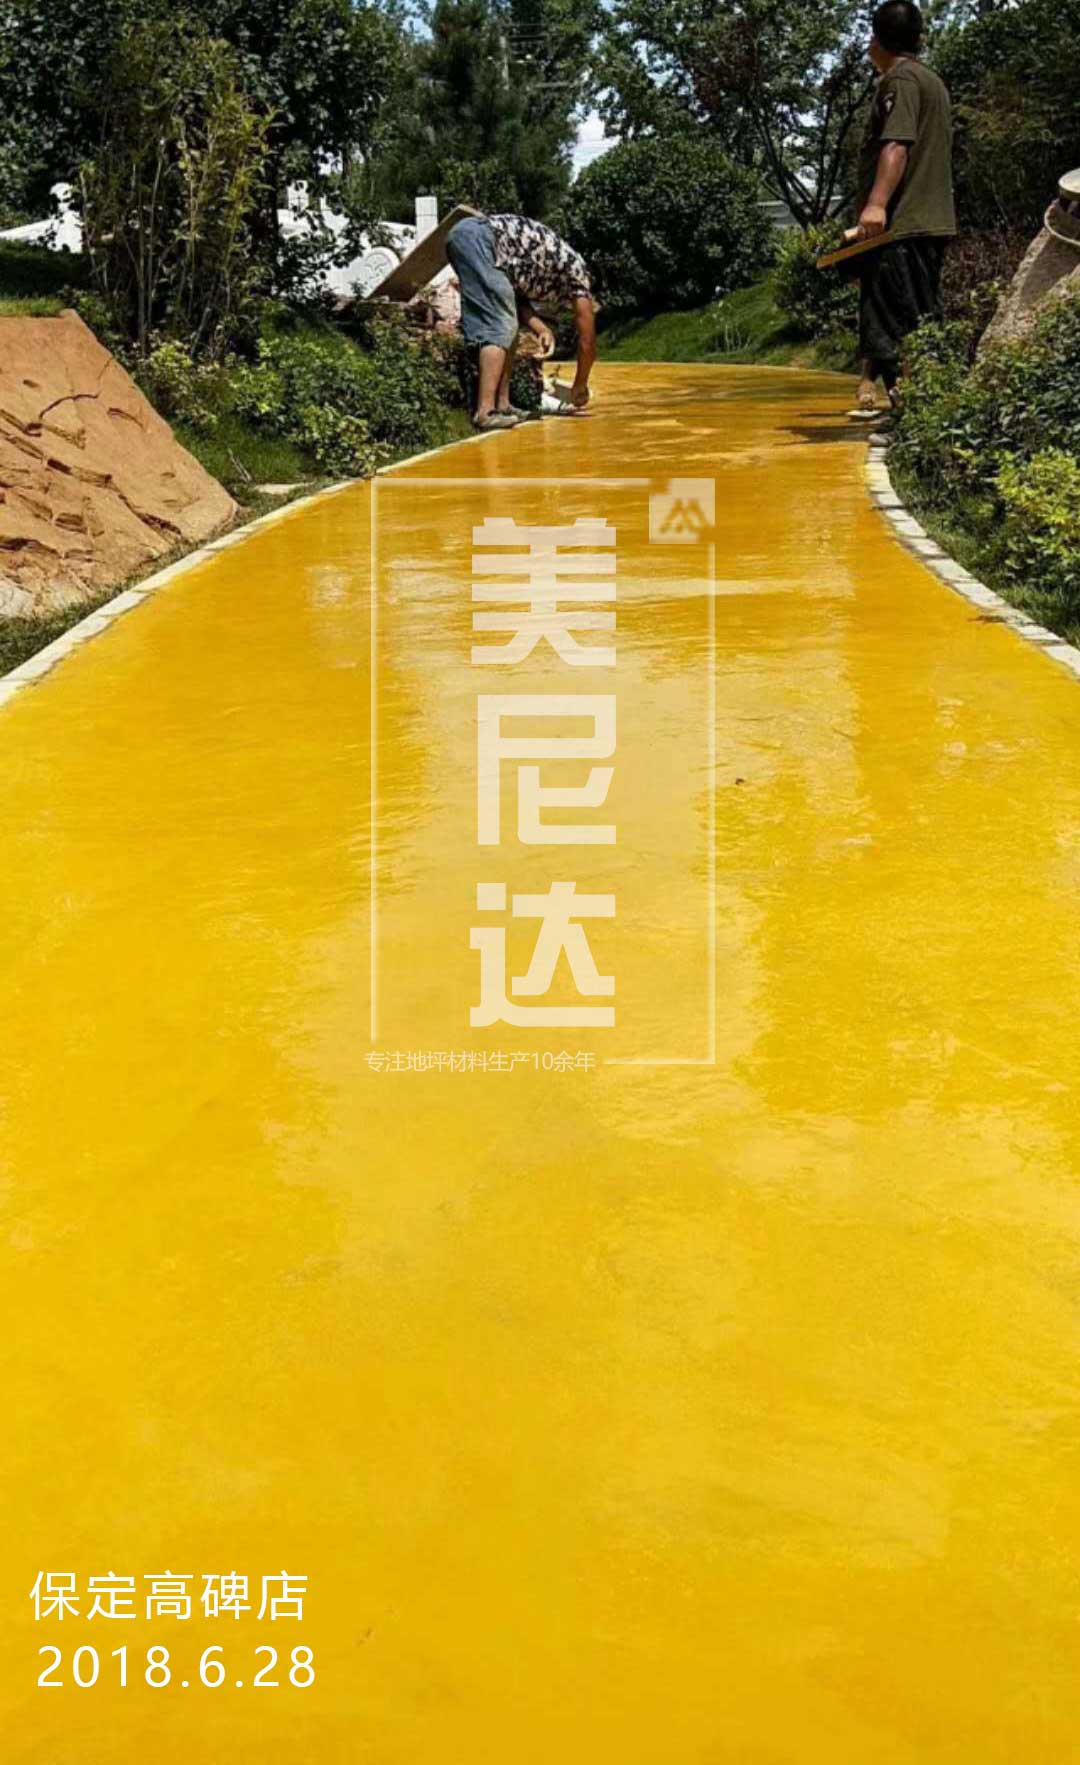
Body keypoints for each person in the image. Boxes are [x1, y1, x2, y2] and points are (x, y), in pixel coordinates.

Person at [850, 0, 956, 419]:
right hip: (926, 221)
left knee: (899, 323)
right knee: (915, 318)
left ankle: (918, 412)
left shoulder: (902, 80)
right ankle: (918, 410)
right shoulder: (931, 80)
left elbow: (896, 144)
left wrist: (876, 205)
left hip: (903, 226)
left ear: (877, 41)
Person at [445, 212, 598, 432]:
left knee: (509, 326)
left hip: (470, 238)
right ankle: (486, 412)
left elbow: (515, 299)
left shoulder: (553, 272)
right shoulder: (579, 278)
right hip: (480, 238)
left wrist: (542, 329)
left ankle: (503, 405)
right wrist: (580, 385)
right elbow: (587, 342)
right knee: (499, 325)